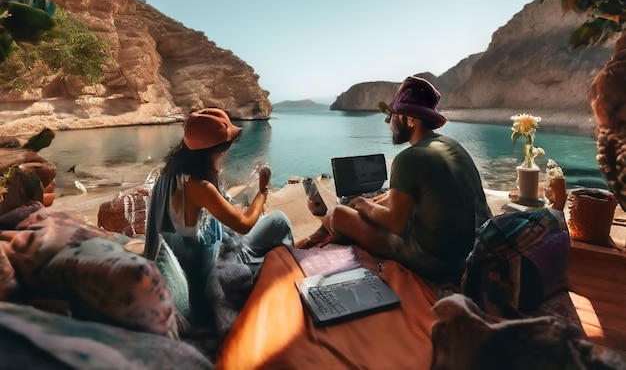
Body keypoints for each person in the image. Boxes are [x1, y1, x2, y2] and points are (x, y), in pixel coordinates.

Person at [321, 76, 492, 285]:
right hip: (476, 248)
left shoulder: (408, 159)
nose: (389, 123)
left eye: (392, 116)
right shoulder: (453, 146)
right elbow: (421, 193)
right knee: (373, 204)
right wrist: (377, 201)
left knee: (339, 214)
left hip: (438, 263)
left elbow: (396, 224)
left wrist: (364, 205)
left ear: (410, 119)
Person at [143, 107, 294, 324]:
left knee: (262, 224)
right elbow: (243, 225)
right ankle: (288, 278)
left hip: (185, 257)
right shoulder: (200, 187)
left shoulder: (170, 174)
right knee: (279, 221)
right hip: (204, 272)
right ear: (221, 150)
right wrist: (262, 191)